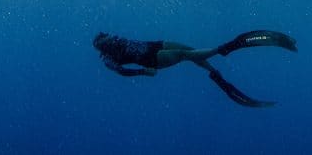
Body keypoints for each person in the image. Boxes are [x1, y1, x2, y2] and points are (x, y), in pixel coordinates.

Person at [93, 30, 297, 107]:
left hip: (155, 44)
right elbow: (121, 71)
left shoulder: (113, 40)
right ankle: (223, 49)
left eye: (109, 35)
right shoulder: (107, 58)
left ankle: (214, 73)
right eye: (108, 38)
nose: (112, 36)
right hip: (152, 59)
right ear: (104, 45)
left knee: (190, 50)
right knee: (186, 55)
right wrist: (143, 72)